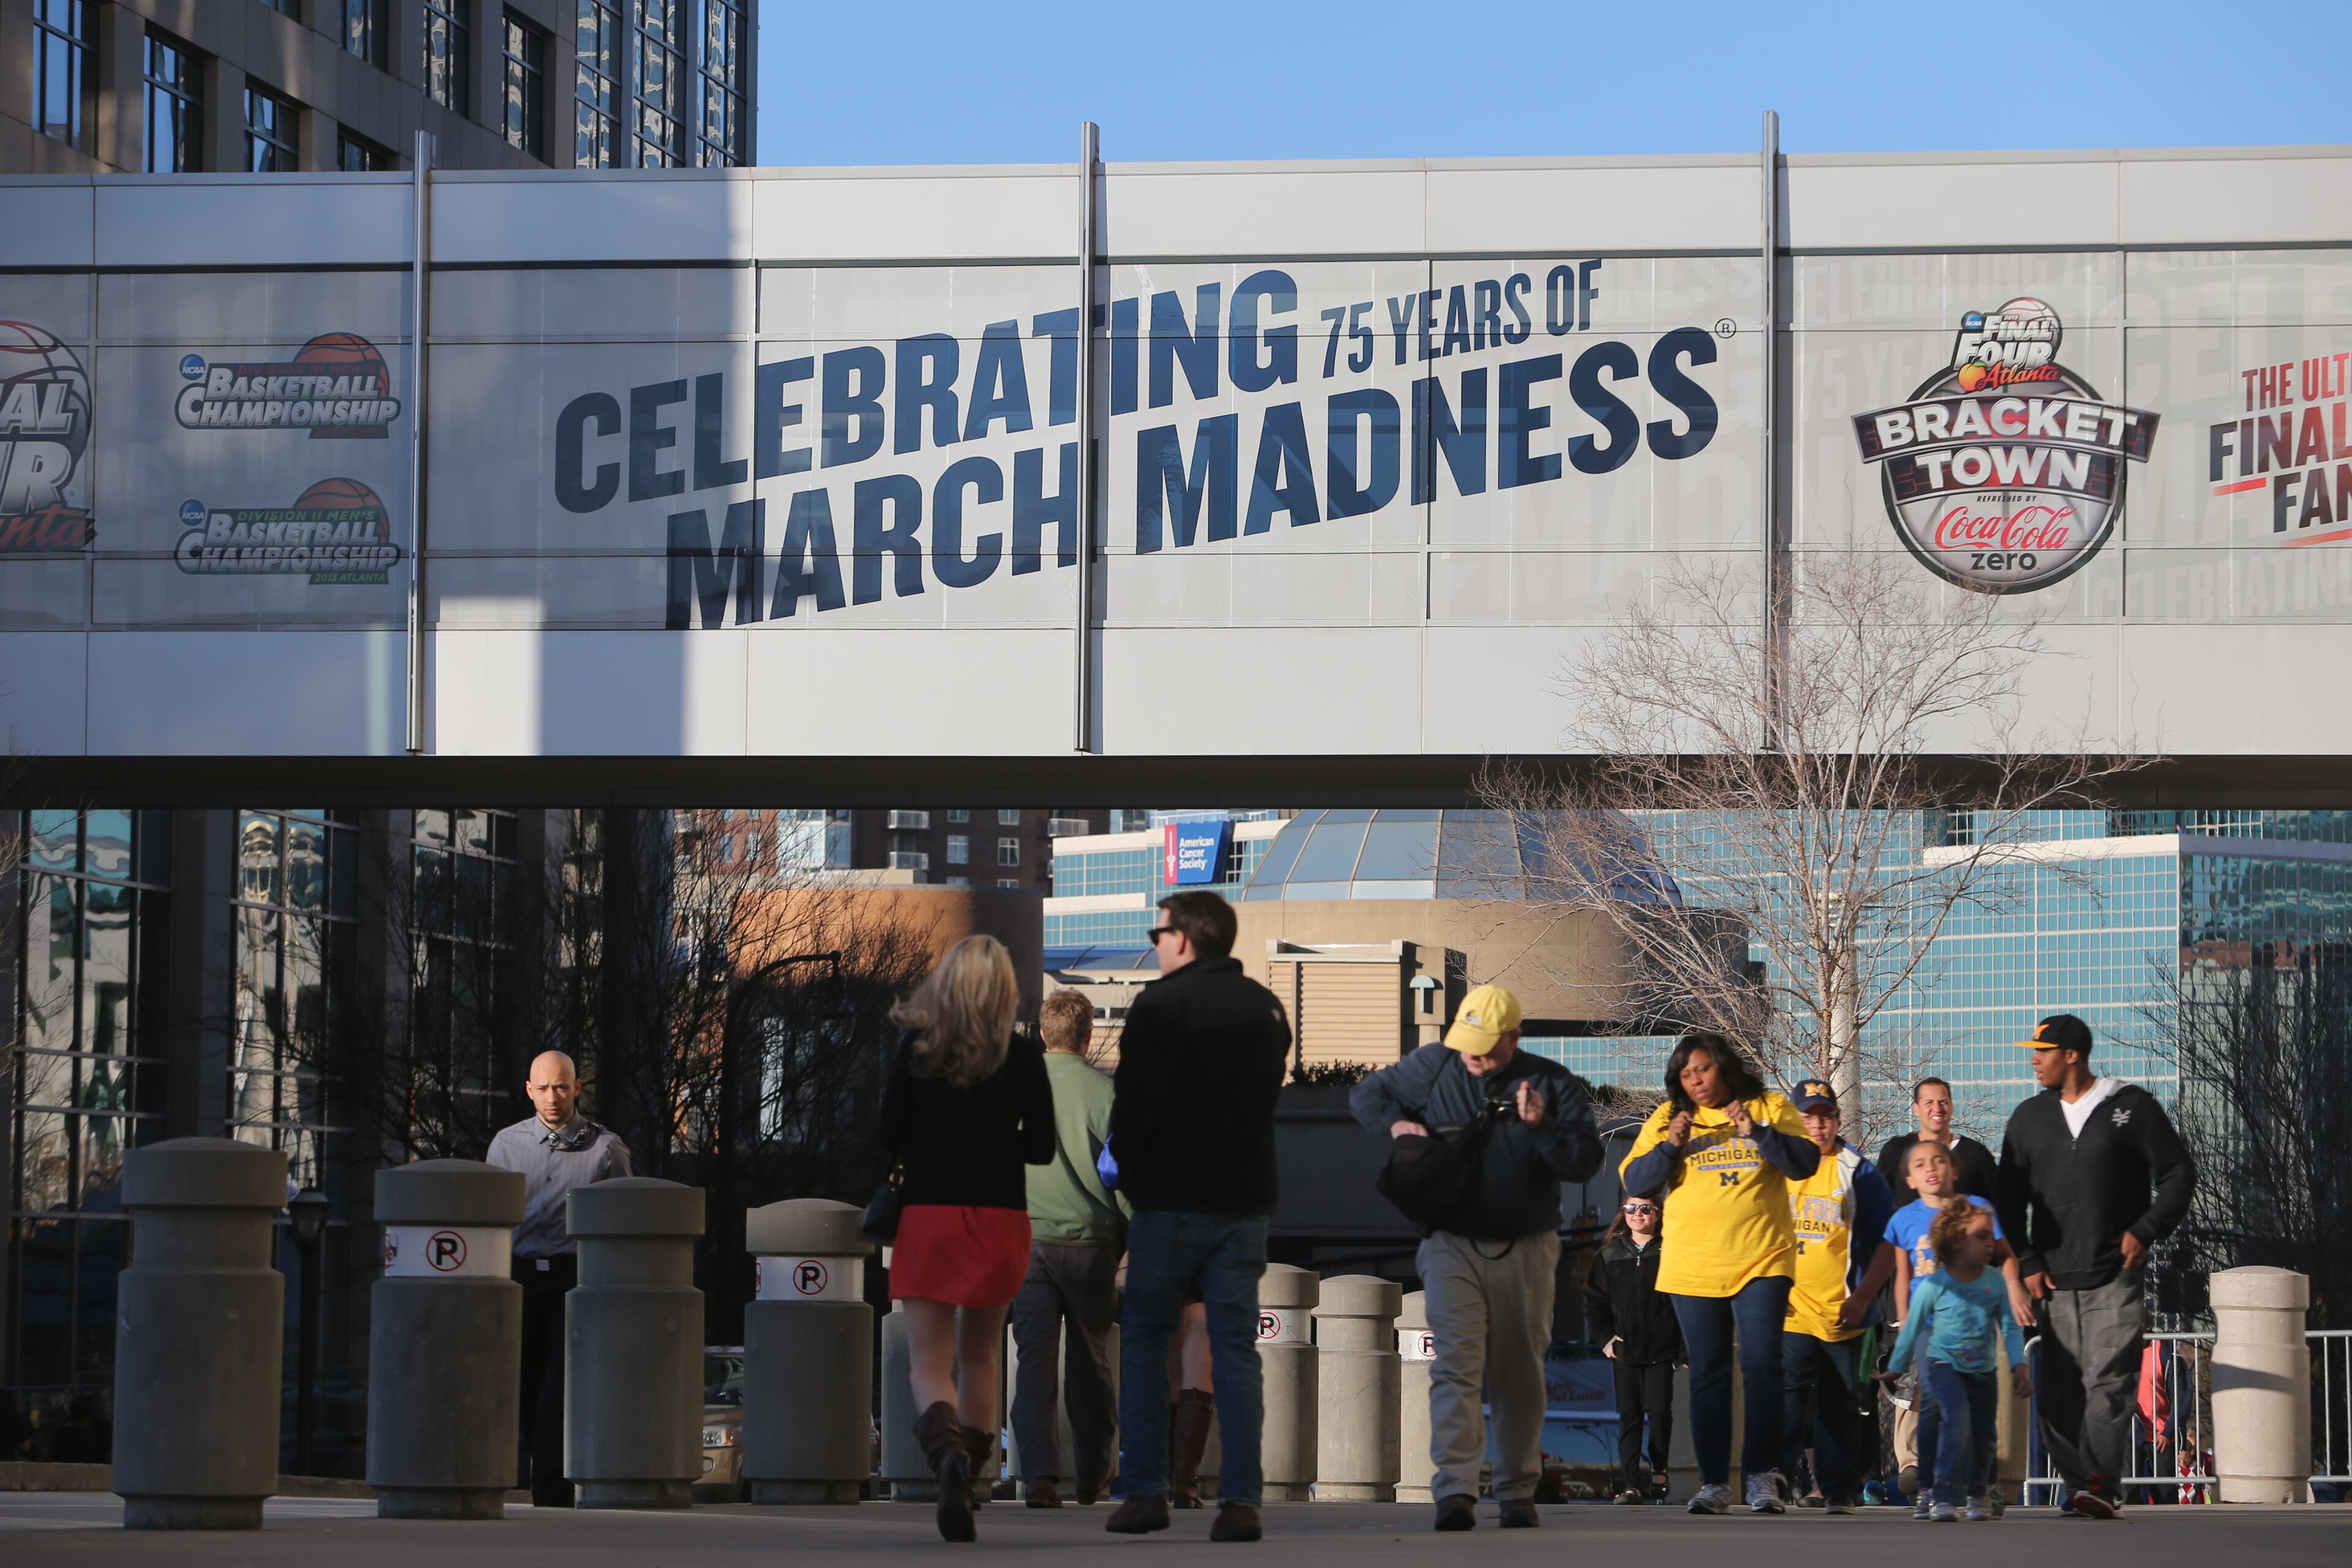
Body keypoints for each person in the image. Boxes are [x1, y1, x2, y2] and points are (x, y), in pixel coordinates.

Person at [1354, 984, 1604, 1531]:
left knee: (1520, 1373)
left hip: (1529, 1245)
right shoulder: (1434, 1066)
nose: (1476, 1056)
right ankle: (1456, 1492)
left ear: (1516, 1037)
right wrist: (1398, 1125)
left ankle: (1517, 1491)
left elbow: (1585, 1162)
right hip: (1449, 1243)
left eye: (1489, 1046)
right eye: (1468, 1043)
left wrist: (1541, 1126)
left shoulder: (1552, 1082)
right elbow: (1366, 1096)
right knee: (1456, 1366)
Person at [1105, 889, 1291, 1545]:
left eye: (1158, 932)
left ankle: (1145, 1489)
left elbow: (1134, 1110)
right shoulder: (1266, 1008)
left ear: (1183, 938)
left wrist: (1126, 1167)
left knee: (1148, 1342)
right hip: (1244, 1203)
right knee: (1235, 1350)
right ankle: (1241, 1499)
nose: (1155, 943)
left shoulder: (1160, 1006)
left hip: (1170, 1201)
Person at [880, 934, 1056, 1544]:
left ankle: (946, 1457)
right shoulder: (1025, 1056)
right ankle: (970, 1477)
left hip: (929, 1212)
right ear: (1005, 990)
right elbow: (1040, 1146)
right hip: (999, 1215)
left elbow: (885, 1133)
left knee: (929, 1361)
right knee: (981, 1356)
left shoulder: (917, 1047)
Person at [1995, 1014, 2195, 1521]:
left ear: (2072, 1055)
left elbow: (2177, 1173)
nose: (2033, 1059)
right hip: (2054, 1281)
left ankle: (2103, 1484)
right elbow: (2007, 1200)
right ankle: (2081, 1483)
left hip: (2115, 1273)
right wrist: (2029, 1262)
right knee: (2058, 1397)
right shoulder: (2027, 1120)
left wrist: (2145, 1230)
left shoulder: (2131, 1107)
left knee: (2111, 1381)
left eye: (2042, 1050)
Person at [1619, 1033, 1820, 1517]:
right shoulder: (1669, 1118)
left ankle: (1762, 1477)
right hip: (1693, 1264)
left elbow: (1805, 1162)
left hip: (1761, 1260)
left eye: (1703, 1069)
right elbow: (1636, 1182)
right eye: (1687, 1074)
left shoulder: (1768, 1105)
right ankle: (1713, 1483)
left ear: (1725, 1067)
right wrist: (1670, 1146)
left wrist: (1759, 1133)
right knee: (1707, 1374)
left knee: (1762, 1366)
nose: (1696, 1080)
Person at [486, 1048, 631, 1507]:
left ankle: (551, 1494)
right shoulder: (506, 1145)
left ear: (577, 1089)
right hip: (520, 1276)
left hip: (574, 1281)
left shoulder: (607, 1149)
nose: (553, 1097)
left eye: (562, 1087)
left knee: (557, 1393)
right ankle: (546, 1472)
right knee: (526, 1389)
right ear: (529, 1091)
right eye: (544, 1088)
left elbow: (626, 1220)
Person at [1009, 989, 1128, 1509]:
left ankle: (1038, 1476)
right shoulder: (1107, 1095)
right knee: (1091, 1361)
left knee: (1033, 1362)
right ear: (1087, 1036)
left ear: (1041, 1034)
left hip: (1027, 1242)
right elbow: (1125, 1176)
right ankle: (1094, 1475)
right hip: (1091, 1244)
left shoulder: (1015, 1086)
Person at [1885, 1139, 2030, 1500]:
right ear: (1909, 1179)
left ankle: (1984, 1484)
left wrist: (2013, 1288)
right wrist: (1904, 1328)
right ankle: (1931, 1486)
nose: (1931, 1168)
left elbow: (2006, 1258)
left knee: (1980, 1411)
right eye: (1921, 1164)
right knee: (1939, 1403)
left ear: (1955, 1171)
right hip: (1929, 1326)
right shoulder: (1905, 1219)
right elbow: (1901, 1275)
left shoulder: (1977, 1209)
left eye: (1939, 1161)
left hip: (1976, 1323)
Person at [1778, 1079, 1898, 1517]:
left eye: (1825, 1116)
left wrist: (1864, 1295)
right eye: (1808, 1116)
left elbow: (1889, 1241)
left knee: (1841, 1401)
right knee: (1787, 1394)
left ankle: (1839, 1487)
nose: (1817, 1125)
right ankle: (1775, 1477)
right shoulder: (1779, 1166)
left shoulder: (1857, 1170)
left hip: (1843, 1310)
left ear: (1837, 1120)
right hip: (1789, 1308)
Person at [1583, 1192, 1682, 1505]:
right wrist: (1607, 1339)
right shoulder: (1610, 1253)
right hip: (1625, 1350)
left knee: (1658, 1412)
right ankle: (1629, 1485)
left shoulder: (1673, 1250)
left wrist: (1684, 1347)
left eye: (1645, 1209)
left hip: (1662, 1349)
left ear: (1657, 1213)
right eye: (1631, 1208)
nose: (1637, 1214)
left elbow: (1685, 1299)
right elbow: (1594, 1303)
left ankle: (1659, 1471)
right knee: (1629, 1416)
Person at [1877, 1077, 1999, 1202]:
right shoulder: (1897, 1150)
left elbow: (2001, 1203)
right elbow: (1877, 1201)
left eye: (1943, 1102)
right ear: (1916, 1109)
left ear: (1951, 1106)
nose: (1937, 1108)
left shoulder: (1975, 1154)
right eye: (1929, 1102)